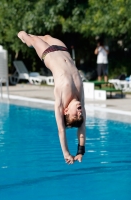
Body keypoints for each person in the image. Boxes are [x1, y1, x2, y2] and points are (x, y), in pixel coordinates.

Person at [18, 31, 86, 165]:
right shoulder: (80, 97)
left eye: (76, 115)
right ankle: (29, 36)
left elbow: (61, 130)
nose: (80, 112)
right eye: (80, 114)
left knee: (31, 39)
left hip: (48, 52)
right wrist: (80, 151)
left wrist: (66, 153)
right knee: (47, 37)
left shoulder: (60, 101)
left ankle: (22, 35)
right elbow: (82, 128)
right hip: (62, 49)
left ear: (65, 112)